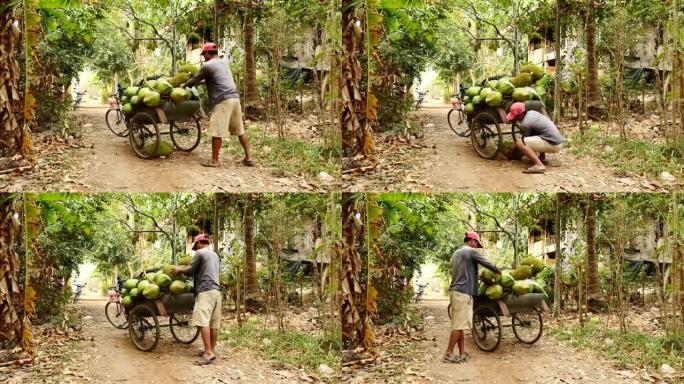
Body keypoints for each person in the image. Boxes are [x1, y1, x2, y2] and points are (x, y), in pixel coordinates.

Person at [183, 42, 253, 168]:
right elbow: (215, 78)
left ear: (207, 53)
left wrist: (183, 86)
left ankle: (214, 161)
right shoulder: (223, 62)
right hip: (234, 99)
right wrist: (200, 83)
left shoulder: (208, 65)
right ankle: (249, 158)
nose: (203, 57)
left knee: (216, 131)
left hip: (223, 101)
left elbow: (194, 80)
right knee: (240, 130)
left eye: (204, 54)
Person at [444, 231, 500, 364]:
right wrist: (497, 269)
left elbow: (466, 271)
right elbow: (487, 263)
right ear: (472, 241)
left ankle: (462, 353)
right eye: (476, 244)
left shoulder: (457, 253)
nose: (476, 247)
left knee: (461, 324)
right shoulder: (469, 251)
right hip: (462, 293)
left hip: (459, 291)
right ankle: (448, 353)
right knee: (458, 326)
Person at [172, 234, 222, 365]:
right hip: (216, 292)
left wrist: (179, 269)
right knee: (213, 324)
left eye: (195, 245)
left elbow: (190, 270)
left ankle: (208, 353)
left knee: (203, 322)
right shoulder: (215, 255)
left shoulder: (200, 253)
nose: (195, 248)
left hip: (205, 291)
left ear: (199, 243)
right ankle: (211, 350)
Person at [506, 102, 564, 174]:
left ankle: (539, 165)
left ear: (520, 115)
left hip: (553, 144)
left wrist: (512, 153)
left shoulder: (526, 124)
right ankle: (542, 158)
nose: (515, 118)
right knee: (537, 134)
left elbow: (524, 143)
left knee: (519, 142)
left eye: (515, 116)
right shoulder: (532, 113)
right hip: (557, 141)